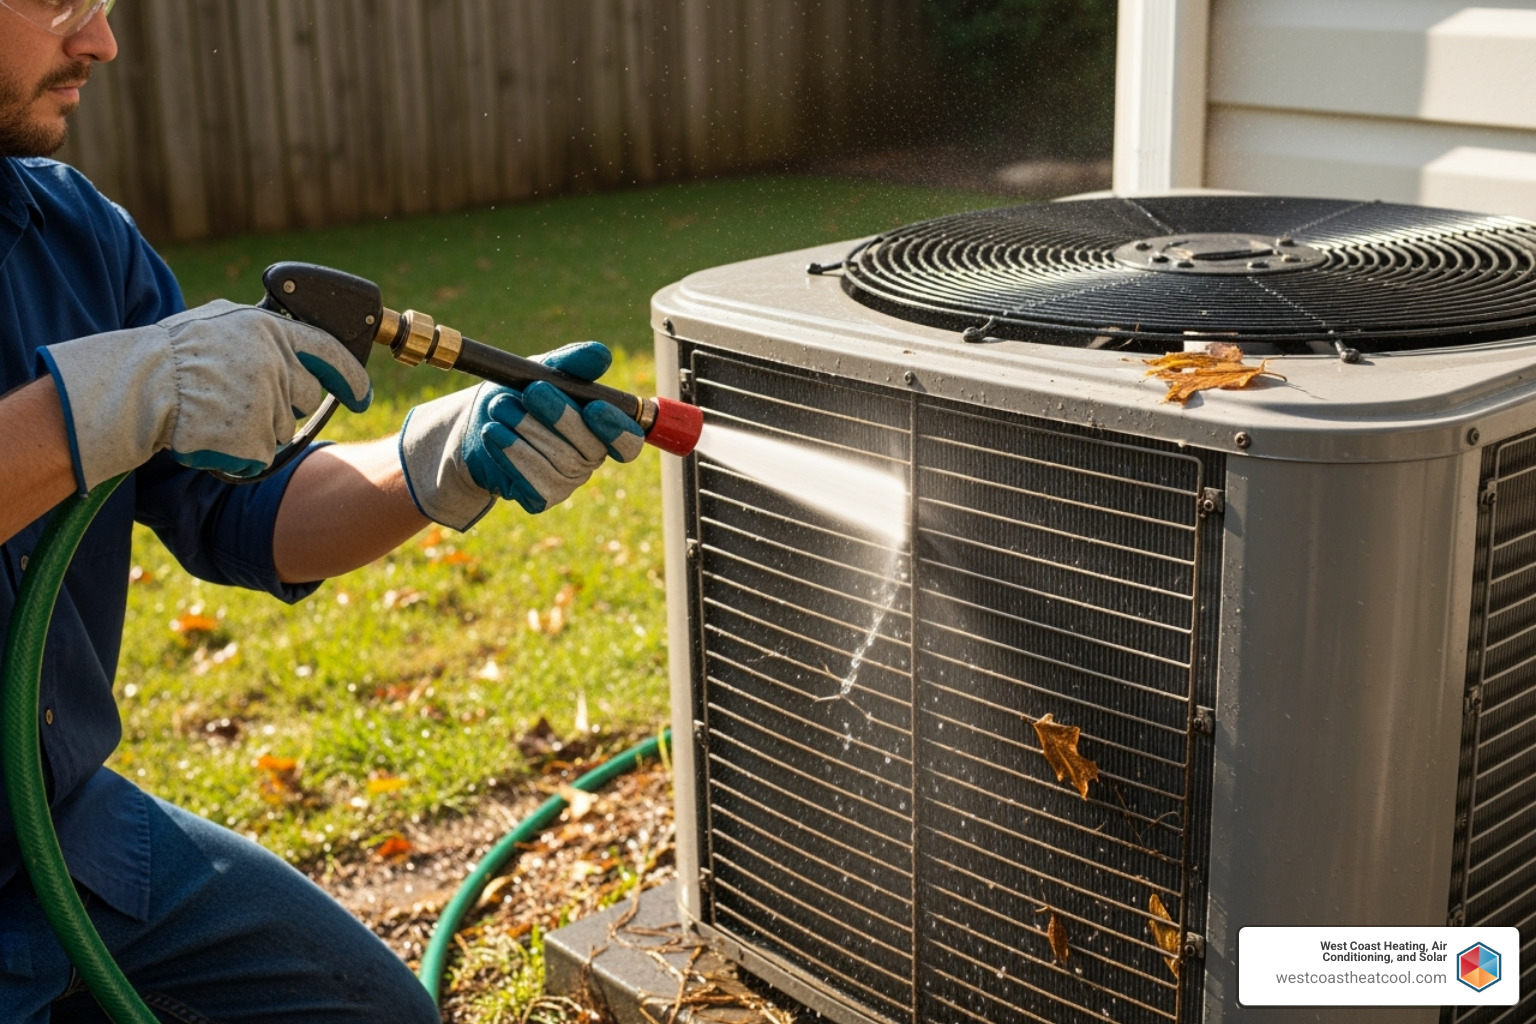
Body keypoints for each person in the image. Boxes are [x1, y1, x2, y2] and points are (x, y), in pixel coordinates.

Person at [0, 2, 645, 1021]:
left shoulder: (72, 236)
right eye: (58, 3)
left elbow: (232, 514)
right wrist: (105, 399)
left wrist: (436, 462)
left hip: (67, 837)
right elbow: (122, 403)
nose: (100, 43)